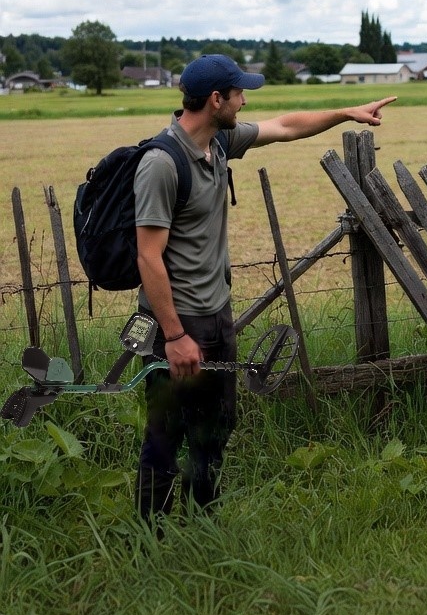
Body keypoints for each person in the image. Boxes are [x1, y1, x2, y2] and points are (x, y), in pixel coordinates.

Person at [133, 52, 395, 522]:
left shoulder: (220, 141)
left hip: (216, 316)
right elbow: (148, 257)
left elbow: (286, 126)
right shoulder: (162, 163)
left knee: (215, 428)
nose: (245, 99)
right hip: (175, 323)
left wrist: (346, 113)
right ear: (216, 99)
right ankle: (148, 539)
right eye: (238, 93)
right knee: (165, 435)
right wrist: (173, 336)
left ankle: (202, 526)